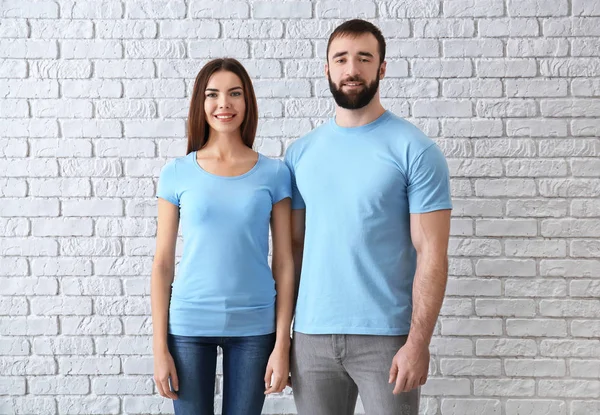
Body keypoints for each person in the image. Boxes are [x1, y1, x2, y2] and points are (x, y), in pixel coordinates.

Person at [285, 19, 452, 415]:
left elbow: (432, 252)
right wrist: (282, 340)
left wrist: (418, 343)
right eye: (341, 59)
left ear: (382, 68)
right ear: (326, 69)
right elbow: (290, 251)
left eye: (364, 58)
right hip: (310, 338)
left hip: (388, 338)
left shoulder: (414, 149)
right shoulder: (300, 153)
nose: (352, 69)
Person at [151, 58, 294, 415]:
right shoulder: (176, 173)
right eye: (213, 94)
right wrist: (159, 349)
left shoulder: (275, 173)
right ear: (201, 103)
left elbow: (285, 261)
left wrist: (282, 343)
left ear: (248, 103)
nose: (224, 104)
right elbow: (163, 263)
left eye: (235, 94)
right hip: (188, 325)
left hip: (255, 327)